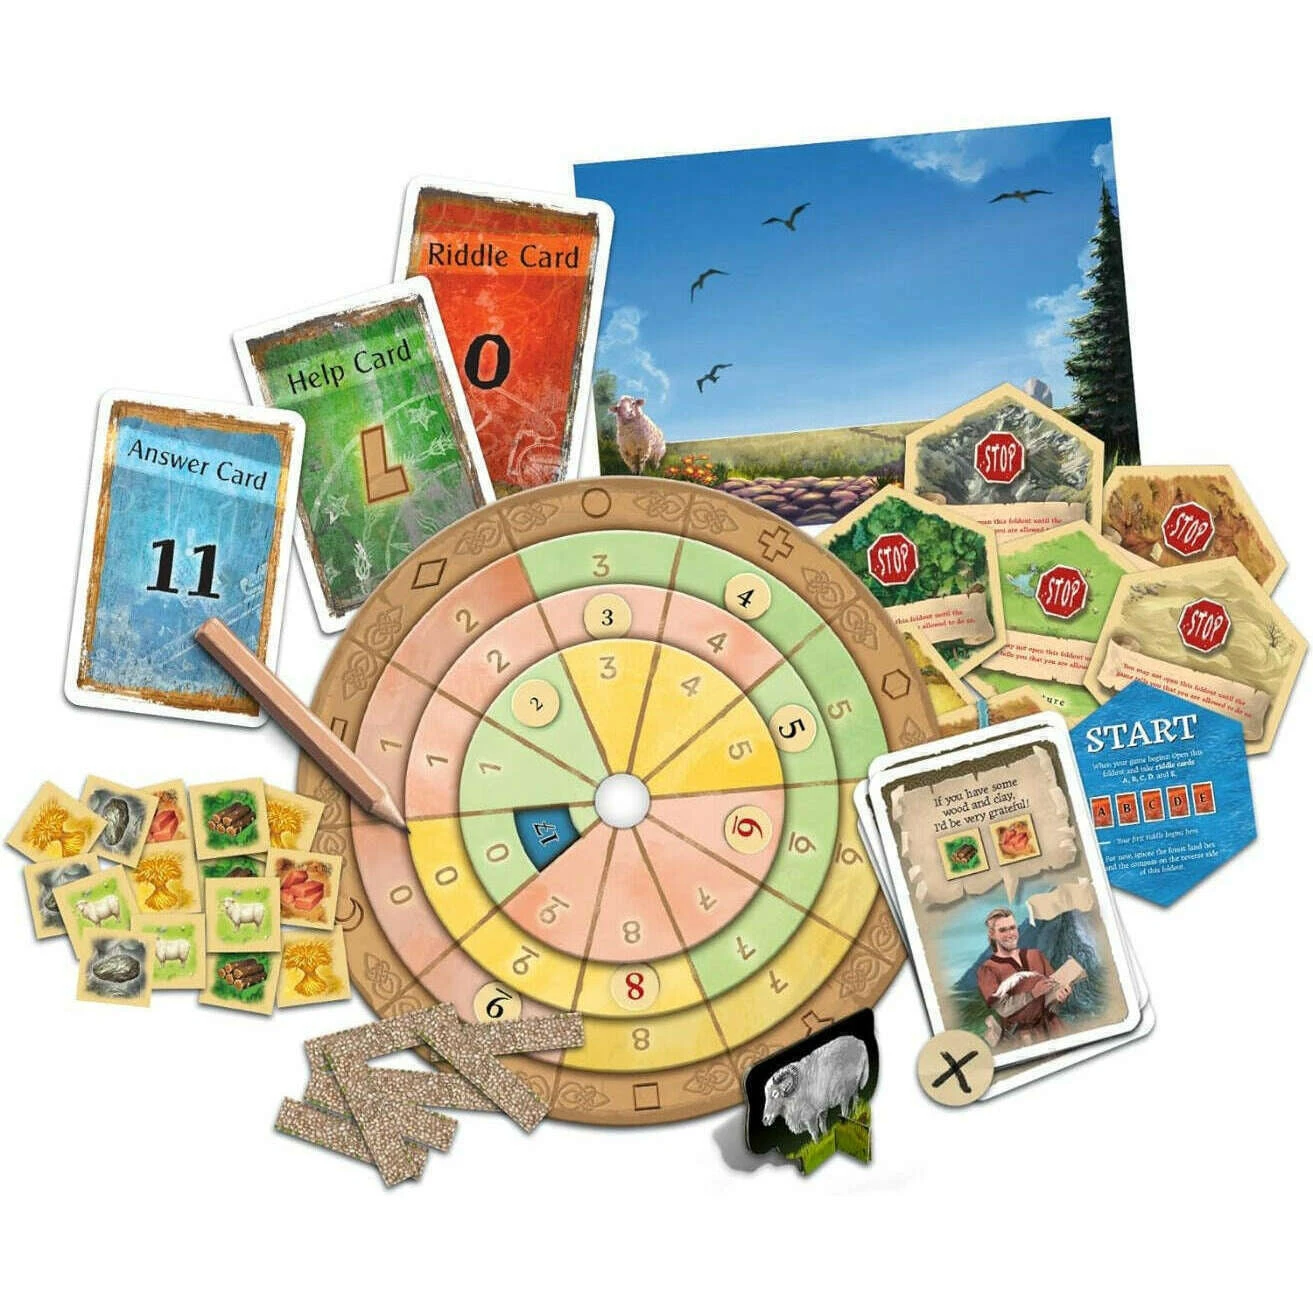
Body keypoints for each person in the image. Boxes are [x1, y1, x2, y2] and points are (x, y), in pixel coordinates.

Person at [975, 908, 1072, 1045]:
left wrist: (1059, 997)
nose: (1010, 934)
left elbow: (1051, 997)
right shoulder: (988, 970)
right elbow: (1003, 1009)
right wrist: (1032, 994)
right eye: (1003, 930)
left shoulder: (1036, 955)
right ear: (992, 934)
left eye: (1012, 928)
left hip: (1054, 1029)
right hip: (1022, 1038)